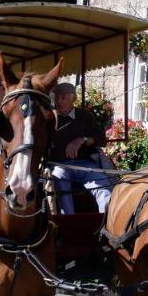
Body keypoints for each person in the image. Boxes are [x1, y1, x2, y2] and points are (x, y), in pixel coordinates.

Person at [49, 82, 111, 214]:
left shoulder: (84, 116)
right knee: (58, 178)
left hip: (85, 165)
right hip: (60, 165)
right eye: (57, 98)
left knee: (104, 187)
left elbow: (101, 138)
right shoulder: (50, 118)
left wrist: (82, 140)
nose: (59, 101)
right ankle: (68, 222)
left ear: (73, 99)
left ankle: (107, 223)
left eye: (63, 97)